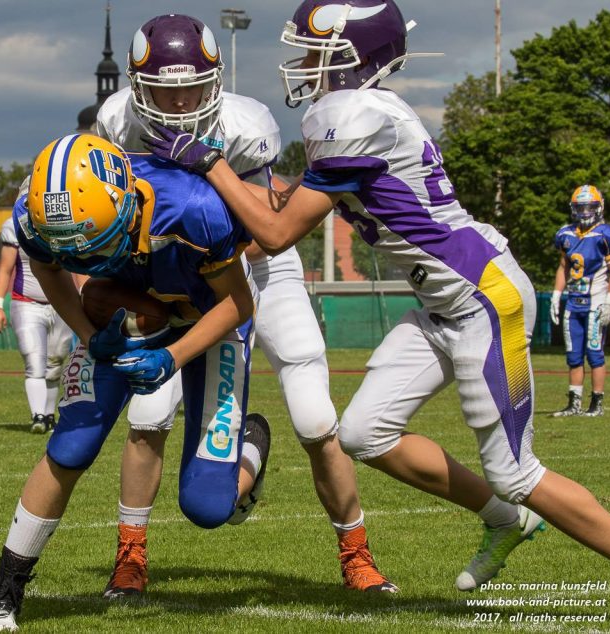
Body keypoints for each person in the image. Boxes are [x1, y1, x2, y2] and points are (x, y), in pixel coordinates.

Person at [144, 0, 610, 590]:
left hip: (483, 299)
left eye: (318, 53)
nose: (304, 65)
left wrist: (211, 164)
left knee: (518, 473)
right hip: (443, 304)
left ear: (354, 57)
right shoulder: (363, 112)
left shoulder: (354, 113)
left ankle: (524, 509)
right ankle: (505, 521)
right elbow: (285, 207)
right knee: (364, 433)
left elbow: (277, 232)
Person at [96, 13, 395, 596]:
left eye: (191, 85)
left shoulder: (245, 124)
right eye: (163, 87)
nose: (179, 100)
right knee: (148, 414)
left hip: (257, 267)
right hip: (174, 267)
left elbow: (267, 228)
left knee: (314, 415)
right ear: (137, 85)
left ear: (215, 80)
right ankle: (130, 557)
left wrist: (209, 183)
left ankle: (356, 554)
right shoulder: (116, 122)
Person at [0, 133, 268, 631]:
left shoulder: (192, 207)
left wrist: (170, 359)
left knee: (208, 506)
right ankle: (4, 592)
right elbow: (48, 271)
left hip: (207, 319)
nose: (82, 260)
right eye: (72, 249)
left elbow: (238, 303)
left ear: (127, 206)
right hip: (125, 312)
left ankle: (253, 442)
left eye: (93, 244)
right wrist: (91, 336)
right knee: (72, 445)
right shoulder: (35, 212)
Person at [0, 214, 74, 433]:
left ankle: (48, 415)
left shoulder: (66, 221)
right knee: (34, 359)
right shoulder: (14, 225)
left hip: (61, 302)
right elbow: (6, 269)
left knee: (55, 363)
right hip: (26, 303)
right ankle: (37, 415)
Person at [549, 185, 610, 417]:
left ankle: (597, 403)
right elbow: (564, 266)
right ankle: (574, 403)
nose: (585, 211)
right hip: (573, 302)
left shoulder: (607, 234)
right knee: (573, 355)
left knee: (594, 352)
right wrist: (556, 295)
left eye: (589, 206)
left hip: (596, 302)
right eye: (580, 207)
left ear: (599, 208)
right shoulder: (565, 234)